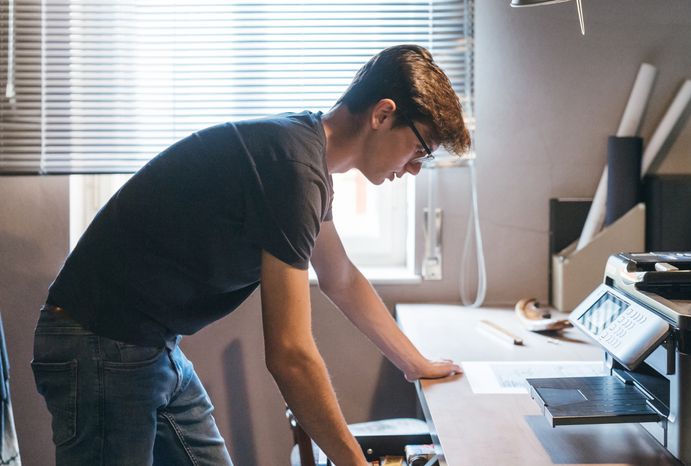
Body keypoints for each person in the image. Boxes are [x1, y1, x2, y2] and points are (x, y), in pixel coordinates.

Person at [32, 44, 470, 466]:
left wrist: (415, 364)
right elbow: (289, 354)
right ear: (383, 114)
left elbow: (341, 277)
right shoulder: (293, 170)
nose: (415, 168)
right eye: (421, 149)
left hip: (147, 343)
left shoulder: (303, 156)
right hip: (98, 340)